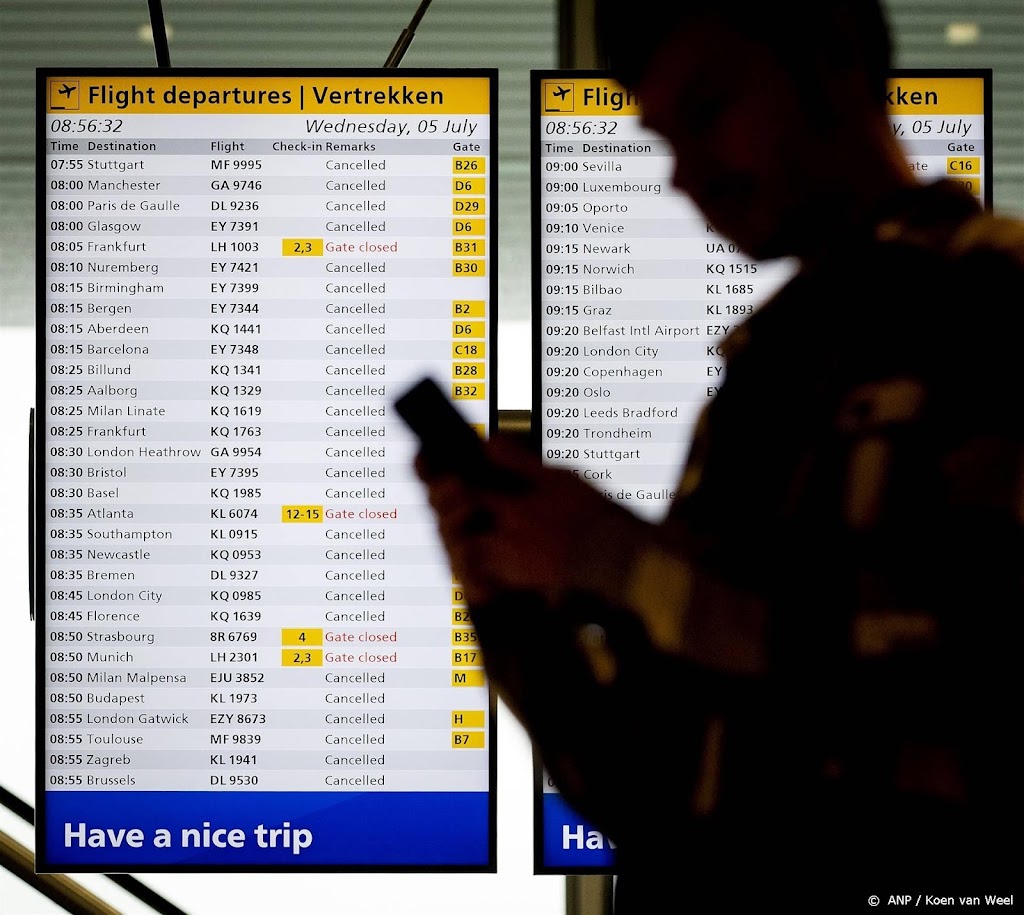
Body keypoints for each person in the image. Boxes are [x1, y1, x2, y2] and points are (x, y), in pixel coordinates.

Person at [414, 0, 1023, 909]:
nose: (686, 174)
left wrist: (618, 560)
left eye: (711, 111)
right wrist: (514, 607)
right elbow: (654, 791)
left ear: (832, 61)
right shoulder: (767, 373)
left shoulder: (994, 307)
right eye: (665, 138)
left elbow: (974, 683)